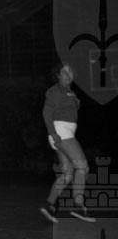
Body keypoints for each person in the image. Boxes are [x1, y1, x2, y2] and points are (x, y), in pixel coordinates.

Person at [39, 62, 95, 223]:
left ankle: (49, 205)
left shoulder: (69, 92)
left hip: (65, 133)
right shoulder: (55, 91)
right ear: (58, 75)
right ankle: (78, 206)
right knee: (82, 167)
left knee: (68, 174)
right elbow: (46, 112)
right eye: (64, 72)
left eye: (70, 72)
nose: (68, 75)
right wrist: (53, 133)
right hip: (61, 132)